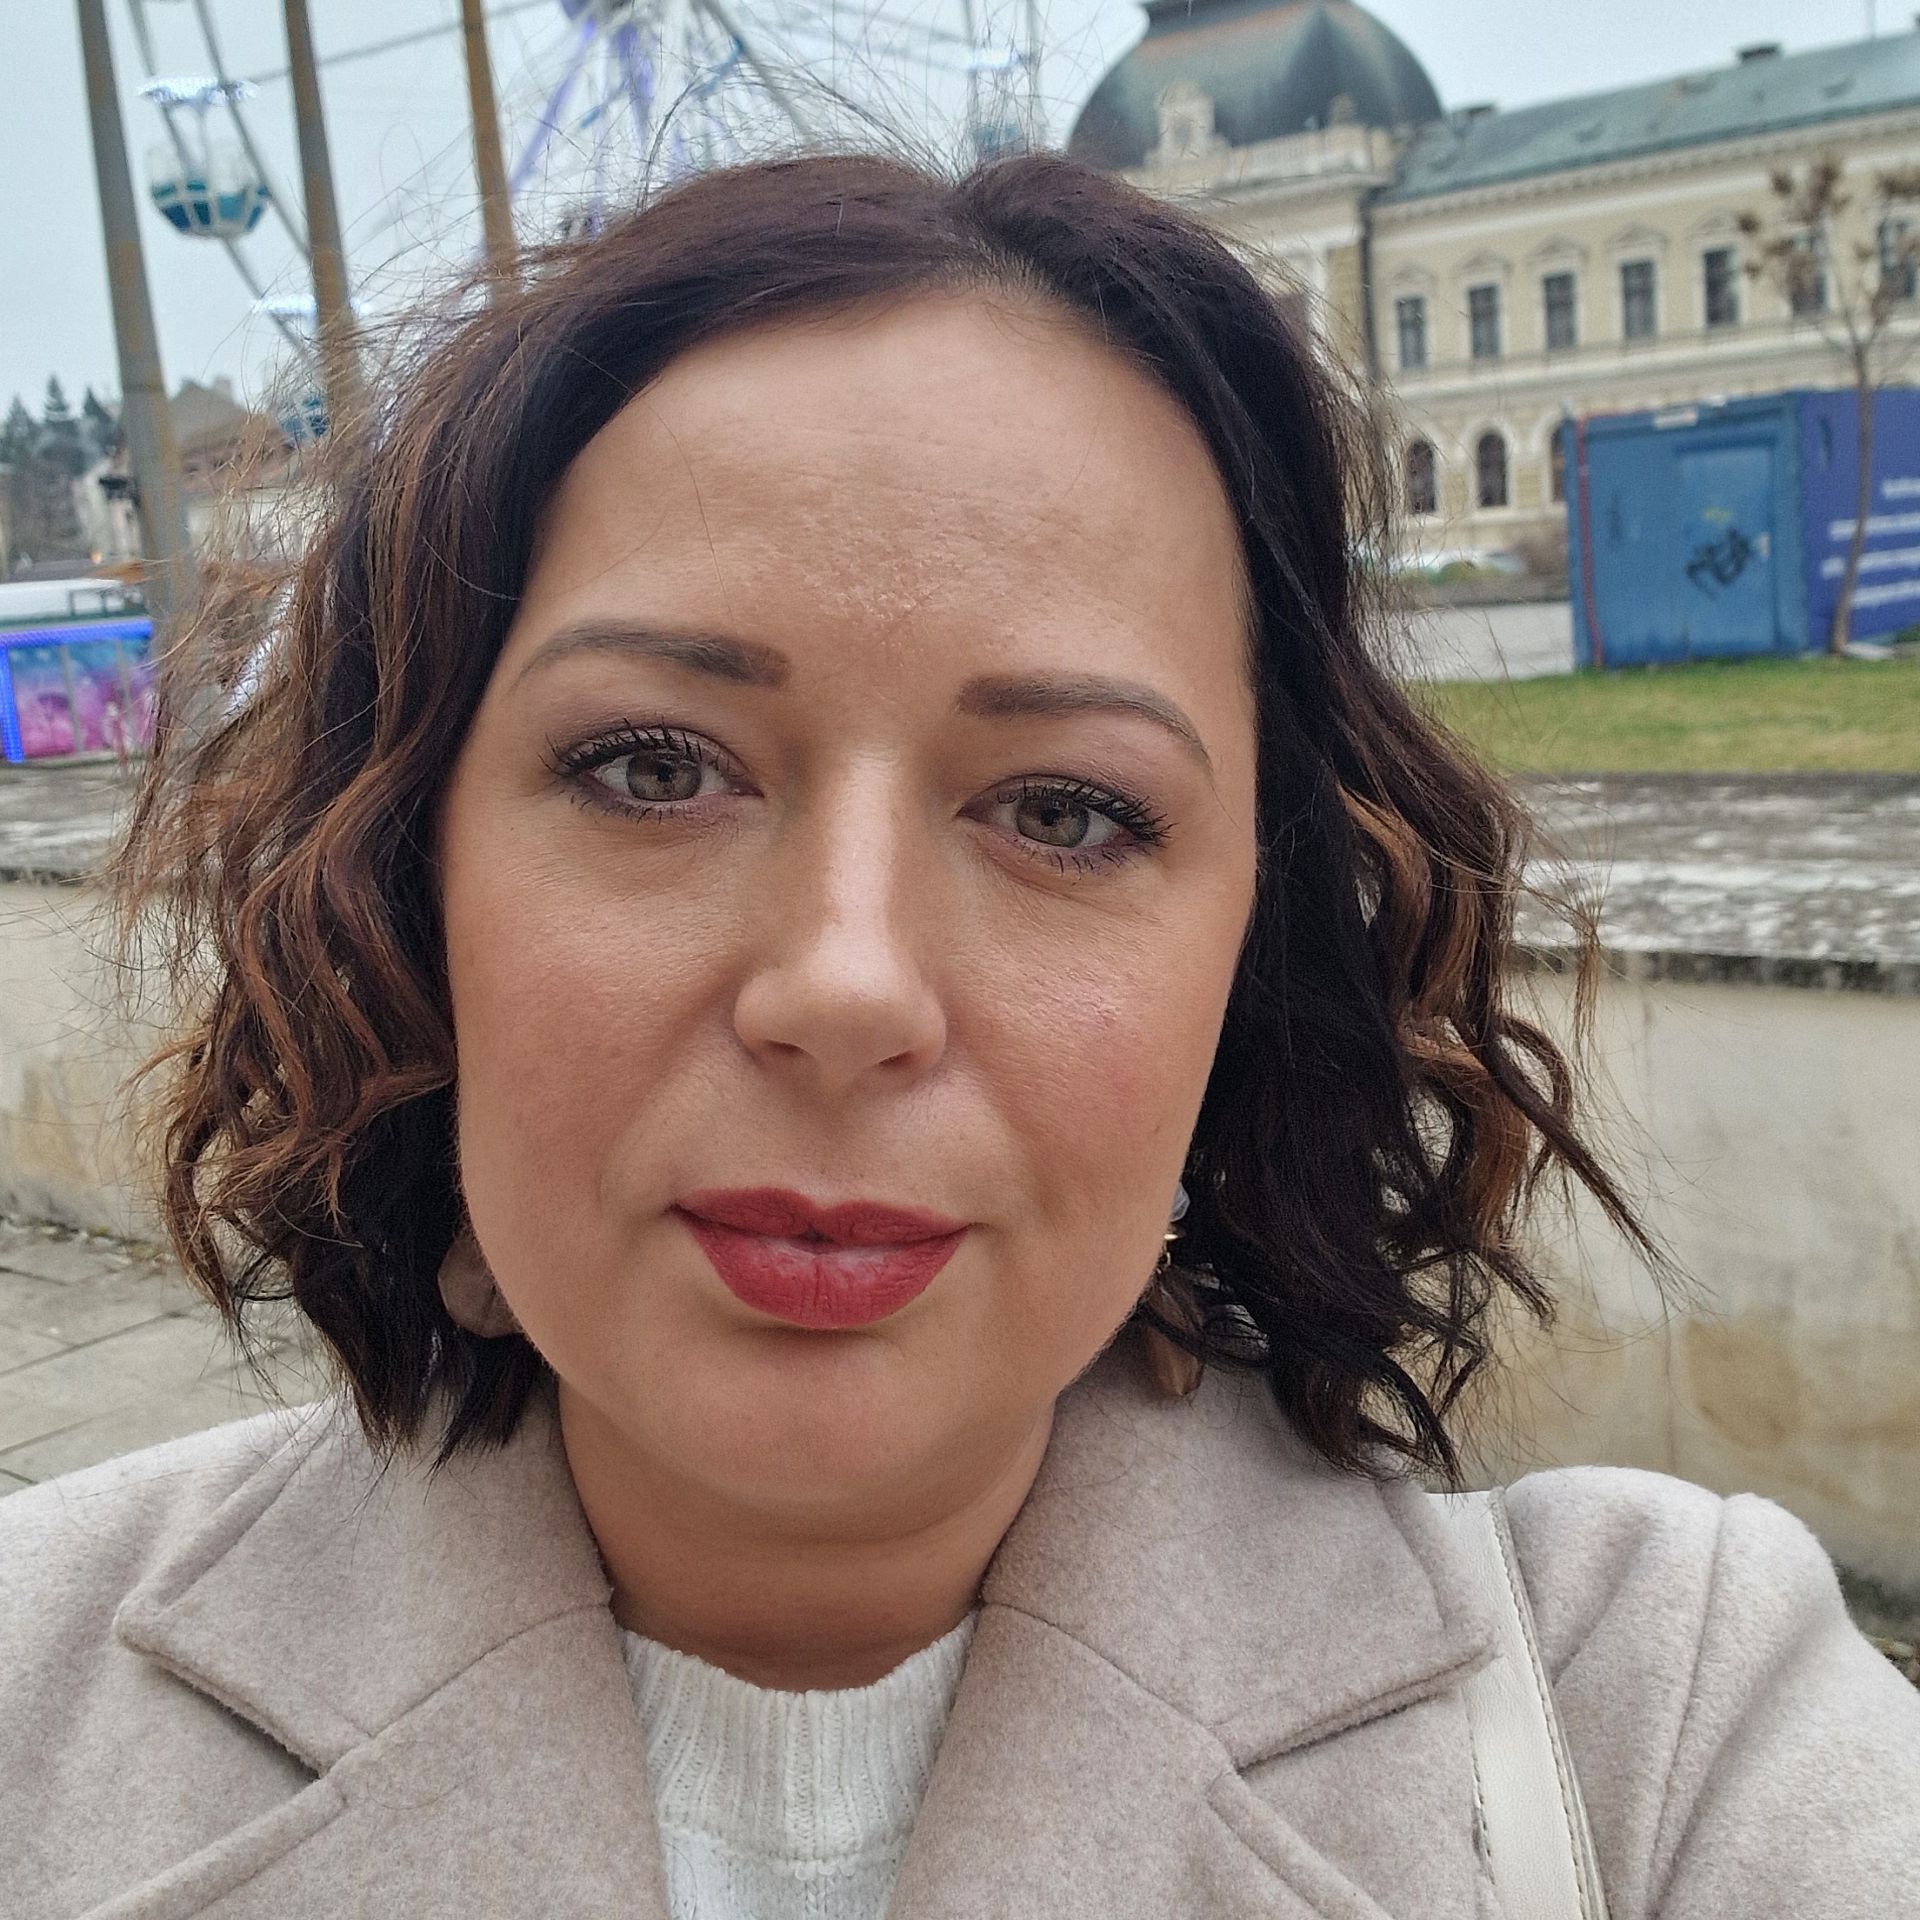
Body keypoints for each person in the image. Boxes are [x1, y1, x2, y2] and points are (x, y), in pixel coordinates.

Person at [2, 151, 1915, 1919]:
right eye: (654, 766)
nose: (846, 988)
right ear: (405, 888)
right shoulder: (31, 1685)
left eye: (1068, 810)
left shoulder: (1660, 1724)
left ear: (1255, 955)